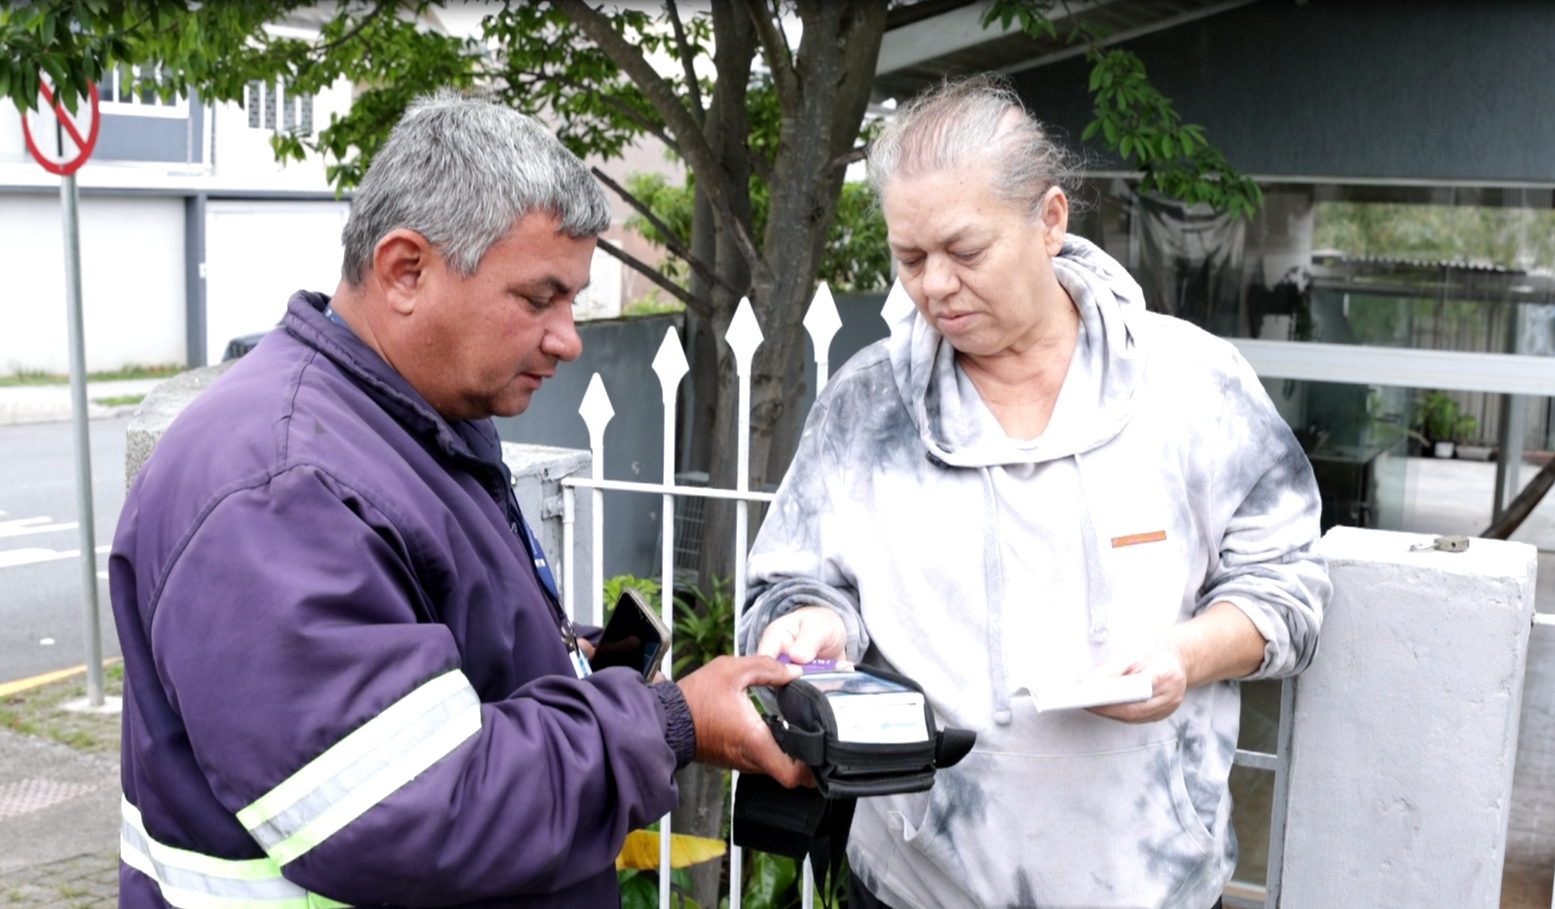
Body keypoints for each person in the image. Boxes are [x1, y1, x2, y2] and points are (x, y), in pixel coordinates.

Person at [110, 91, 807, 909]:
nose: (569, 337)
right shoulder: (282, 485)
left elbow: (423, 645)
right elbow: (414, 809)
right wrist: (667, 721)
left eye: (573, 300)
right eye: (538, 297)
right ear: (406, 269)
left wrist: (564, 657)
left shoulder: (404, 420)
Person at [739, 75, 1330, 909]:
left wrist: (1182, 656)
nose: (933, 286)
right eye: (909, 258)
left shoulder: (1193, 385)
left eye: (964, 251)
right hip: (913, 885)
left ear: (1049, 219)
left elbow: (1291, 585)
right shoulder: (865, 406)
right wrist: (814, 623)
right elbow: (786, 584)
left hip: (1146, 883)